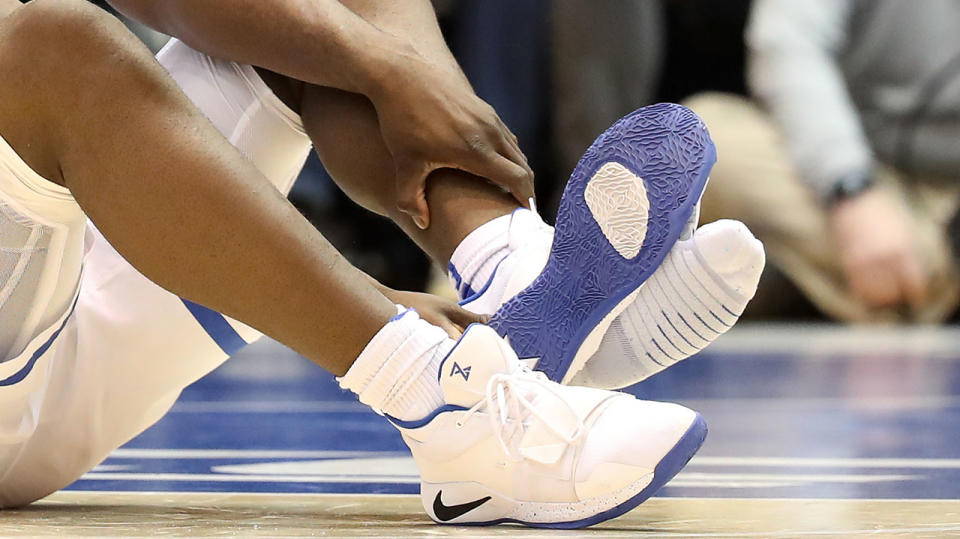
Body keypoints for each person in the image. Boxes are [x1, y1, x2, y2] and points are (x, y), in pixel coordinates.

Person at [0, 0, 763, 528]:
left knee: (303, 24)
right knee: (50, 46)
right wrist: (382, 70)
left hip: (69, 294)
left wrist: (377, 60)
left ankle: (512, 275)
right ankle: (446, 408)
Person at [687, 0, 960, 323]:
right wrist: (850, 189)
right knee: (698, 140)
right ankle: (915, 293)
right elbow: (788, 43)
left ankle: (823, 289)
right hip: (861, 171)